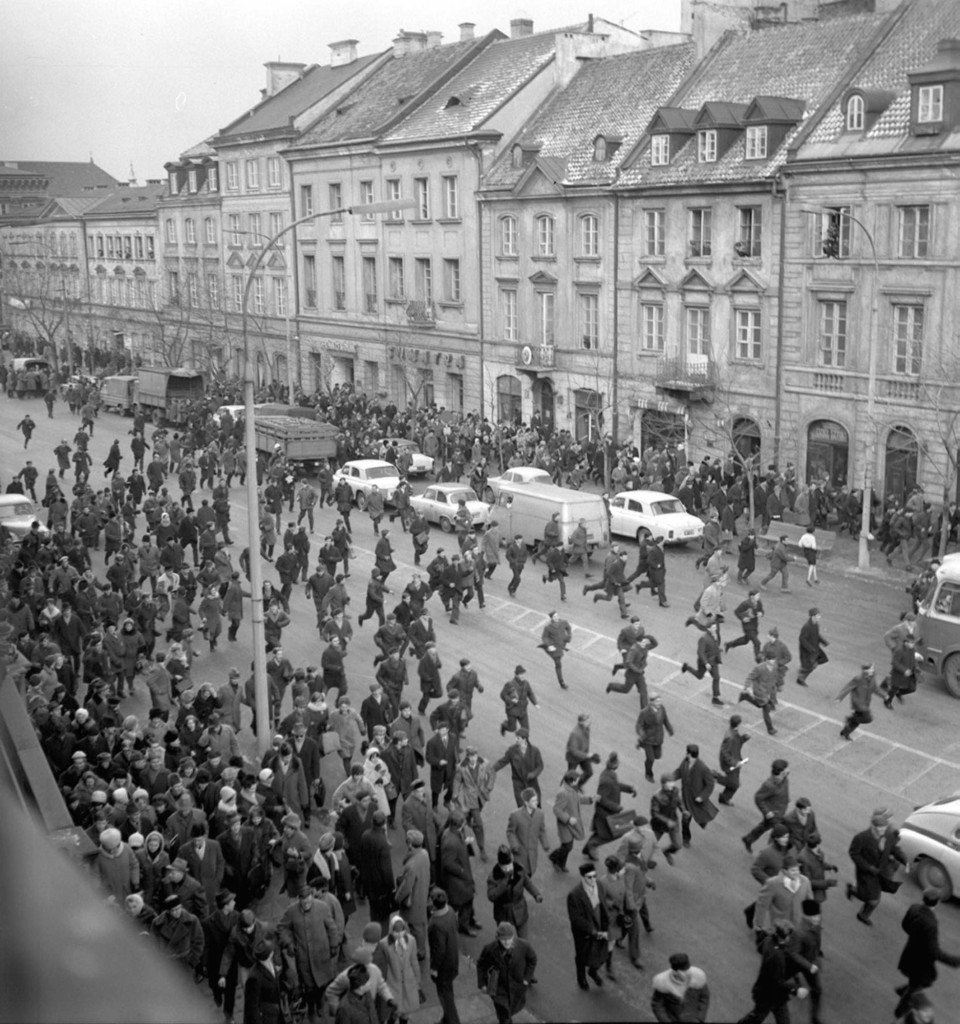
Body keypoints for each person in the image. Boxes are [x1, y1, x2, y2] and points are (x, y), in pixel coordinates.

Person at [277, 884, 342, 1021]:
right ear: (299, 899)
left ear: (312, 896)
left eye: (308, 899)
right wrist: (288, 943)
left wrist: (334, 944)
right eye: (303, 900)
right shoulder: (291, 911)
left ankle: (319, 1003)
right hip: (304, 958)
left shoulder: (322, 908)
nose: (306, 903)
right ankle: (311, 1007)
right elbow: (281, 928)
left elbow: (332, 928)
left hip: (322, 955)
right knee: (308, 986)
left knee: (322, 983)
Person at [894, 888, 960, 1019]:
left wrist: (916, 937)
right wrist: (955, 960)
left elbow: (905, 925)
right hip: (921, 961)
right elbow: (934, 951)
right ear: (937, 902)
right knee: (918, 985)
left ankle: (904, 990)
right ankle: (900, 1010)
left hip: (910, 951)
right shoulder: (931, 924)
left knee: (918, 981)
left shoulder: (914, 908)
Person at [736, 920, 809, 1024]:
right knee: (756, 1018)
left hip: (771, 993)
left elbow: (760, 949)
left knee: (765, 1018)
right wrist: (796, 989)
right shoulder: (777, 956)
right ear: (785, 937)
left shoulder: (769, 940)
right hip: (768, 994)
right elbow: (778, 982)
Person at [847, 807, 906, 926]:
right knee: (874, 900)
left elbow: (893, 848)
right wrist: (868, 867)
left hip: (882, 869)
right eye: (888, 818)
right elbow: (854, 854)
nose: (891, 821)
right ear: (873, 826)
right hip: (867, 871)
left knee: (875, 892)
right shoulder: (861, 838)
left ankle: (854, 891)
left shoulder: (888, 833)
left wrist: (903, 859)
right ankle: (862, 914)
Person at [476, 921, 538, 1024]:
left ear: (513, 936)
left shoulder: (524, 946)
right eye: (503, 939)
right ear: (498, 938)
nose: (507, 942)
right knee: (504, 1015)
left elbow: (533, 959)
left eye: (509, 938)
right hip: (497, 985)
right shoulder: (489, 949)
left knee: (510, 1010)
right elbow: (481, 965)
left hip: (516, 984)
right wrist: (482, 983)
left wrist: (527, 978)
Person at [567, 862, 611, 991]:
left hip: (600, 925)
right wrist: (593, 932)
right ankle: (581, 978)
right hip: (585, 932)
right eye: (589, 877)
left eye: (594, 876)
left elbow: (603, 906)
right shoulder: (574, 895)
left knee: (602, 953)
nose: (593, 880)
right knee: (582, 956)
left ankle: (593, 971)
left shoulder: (600, 886)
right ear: (582, 877)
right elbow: (576, 919)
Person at [486, 844, 542, 940]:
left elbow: (527, 882)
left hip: (519, 909)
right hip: (503, 912)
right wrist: (504, 882)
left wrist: (536, 894)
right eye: (504, 868)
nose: (508, 869)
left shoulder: (519, 869)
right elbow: (491, 896)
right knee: (504, 940)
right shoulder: (493, 876)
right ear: (499, 865)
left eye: (509, 866)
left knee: (524, 940)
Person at [673, 743, 718, 848]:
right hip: (686, 797)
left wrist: (702, 796)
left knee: (700, 814)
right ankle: (686, 838)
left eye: (687, 752)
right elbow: (679, 772)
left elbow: (710, 784)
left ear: (689, 754)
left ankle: (702, 822)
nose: (685, 754)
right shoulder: (685, 762)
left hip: (696, 798)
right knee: (685, 819)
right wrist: (671, 778)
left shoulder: (702, 768)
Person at [742, 759, 790, 854]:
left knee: (764, 826)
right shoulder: (769, 785)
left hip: (781, 810)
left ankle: (748, 839)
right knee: (780, 832)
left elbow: (787, 772)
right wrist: (767, 812)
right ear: (781, 772)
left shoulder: (783, 778)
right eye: (786, 769)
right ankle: (770, 853)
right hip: (773, 814)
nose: (788, 770)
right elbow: (758, 798)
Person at [427, 888, 460, 1024]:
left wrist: (434, 968)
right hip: (453, 960)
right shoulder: (450, 911)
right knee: (448, 991)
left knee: (445, 997)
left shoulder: (436, 924)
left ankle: (452, 1020)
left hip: (443, 967)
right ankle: (446, 1020)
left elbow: (439, 950)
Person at [549, 771, 593, 874]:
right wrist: (568, 819)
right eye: (577, 780)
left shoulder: (571, 789)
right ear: (572, 781)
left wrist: (590, 799)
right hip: (566, 825)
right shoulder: (563, 793)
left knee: (567, 846)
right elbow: (557, 809)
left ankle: (560, 864)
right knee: (567, 846)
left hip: (570, 824)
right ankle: (554, 858)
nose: (578, 782)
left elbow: (577, 799)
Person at [650, 952, 711, 1023]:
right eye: (683, 971)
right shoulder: (663, 983)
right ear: (675, 972)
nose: (687, 973)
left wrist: (700, 1017)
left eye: (688, 969)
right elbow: (657, 1005)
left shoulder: (698, 978)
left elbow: (704, 998)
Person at [492, 728, 544, 808]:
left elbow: (540, 766)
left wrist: (533, 774)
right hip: (518, 783)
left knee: (535, 805)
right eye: (516, 737)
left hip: (531, 783)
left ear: (524, 739)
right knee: (522, 807)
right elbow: (502, 762)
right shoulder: (512, 751)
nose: (516, 740)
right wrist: (491, 769)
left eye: (518, 738)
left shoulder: (534, 751)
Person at [506, 788, 550, 879]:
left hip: (532, 853)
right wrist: (514, 845)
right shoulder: (515, 815)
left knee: (529, 875)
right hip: (520, 853)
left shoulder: (540, 814)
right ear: (526, 803)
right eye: (533, 801)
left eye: (536, 800)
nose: (536, 803)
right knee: (518, 876)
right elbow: (510, 831)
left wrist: (545, 843)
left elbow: (542, 830)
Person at [680, 622, 723, 706]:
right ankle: (687, 667)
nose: (715, 629)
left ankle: (715, 697)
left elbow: (716, 646)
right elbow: (700, 652)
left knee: (717, 677)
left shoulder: (715, 636)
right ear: (708, 629)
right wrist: (706, 663)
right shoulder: (704, 638)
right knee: (699, 676)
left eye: (715, 627)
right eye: (713, 628)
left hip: (713, 661)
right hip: (704, 662)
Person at [634, 693, 674, 783]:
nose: (659, 703)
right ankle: (648, 774)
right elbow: (639, 726)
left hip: (658, 737)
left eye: (660, 701)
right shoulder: (644, 713)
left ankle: (641, 744)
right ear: (651, 702)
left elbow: (665, 720)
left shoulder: (662, 708)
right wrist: (642, 734)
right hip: (648, 738)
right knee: (650, 759)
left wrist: (670, 729)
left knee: (658, 756)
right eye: (657, 701)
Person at [837, 663, 882, 740]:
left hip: (866, 703)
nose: (872, 671)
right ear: (865, 671)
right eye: (871, 669)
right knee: (868, 718)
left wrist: (884, 695)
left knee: (857, 721)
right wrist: (840, 697)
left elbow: (875, 688)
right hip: (858, 703)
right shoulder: (858, 679)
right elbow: (848, 687)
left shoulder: (872, 678)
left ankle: (845, 732)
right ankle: (850, 719)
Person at [738, 655, 780, 736]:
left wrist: (775, 685)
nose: (773, 662)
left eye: (774, 660)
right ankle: (770, 729)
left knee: (760, 705)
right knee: (766, 708)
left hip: (767, 690)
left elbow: (774, 676)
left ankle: (746, 697)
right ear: (767, 660)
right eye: (771, 660)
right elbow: (750, 677)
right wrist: (747, 687)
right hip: (759, 691)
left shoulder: (775, 666)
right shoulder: (759, 668)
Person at [717, 715, 749, 806]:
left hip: (735, 761)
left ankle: (724, 797)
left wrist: (743, 739)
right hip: (731, 764)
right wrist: (735, 763)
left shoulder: (733, 732)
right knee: (735, 784)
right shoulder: (731, 736)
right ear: (738, 724)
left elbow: (736, 745)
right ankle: (715, 776)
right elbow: (725, 753)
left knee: (734, 782)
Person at [883, 636, 921, 709]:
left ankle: (899, 693)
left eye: (913, 643)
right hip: (898, 674)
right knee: (894, 689)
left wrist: (916, 667)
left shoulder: (912, 650)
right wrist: (904, 670)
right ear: (906, 643)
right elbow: (894, 663)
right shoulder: (899, 651)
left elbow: (912, 660)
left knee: (912, 688)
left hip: (909, 673)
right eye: (911, 643)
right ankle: (887, 701)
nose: (913, 645)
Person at [565, 713, 601, 790]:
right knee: (570, 776)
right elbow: (573, 751)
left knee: (589, 772)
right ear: (581, 722)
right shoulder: (575, 734)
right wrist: (587, 755)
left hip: (583, 756)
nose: (589, 722)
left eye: (589, 720)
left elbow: (586, 743)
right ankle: (565, 790)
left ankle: (578, 785)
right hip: (573, 758)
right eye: (587, 721)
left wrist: (589, 756)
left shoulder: (586, 729)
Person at [726, 591, 765, 661]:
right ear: (752, 597)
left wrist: (761, 614)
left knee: (745, 640)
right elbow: (737, 612)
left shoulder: (758, 602)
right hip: (747, 626)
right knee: (757, 642)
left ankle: (730, 644)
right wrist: (742, 618)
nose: (759, 597)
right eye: (757, 596)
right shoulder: (745, 604)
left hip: (754, 624)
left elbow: (762, 611)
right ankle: (758, 659)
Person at [538, 610, 571, 690]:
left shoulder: (563, 622)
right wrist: (549, 645)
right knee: (558, 664)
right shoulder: (548, 627)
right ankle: (561, 682)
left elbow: (568, 628)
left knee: (559, 658)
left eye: (557, 615)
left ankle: (545, 647)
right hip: (554, 647)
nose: (556, 617)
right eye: (554, 616)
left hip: (561, 644)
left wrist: (568, 636)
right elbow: (544, 637)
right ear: (551, 618)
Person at [796, 608, 828, 687]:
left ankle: (803, 669)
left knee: (823, 659)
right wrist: (810, 649)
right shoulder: (807, 626)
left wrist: (824, 642)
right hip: (807, 651)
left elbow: (816, 635)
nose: (820, 617)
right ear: (813, 616)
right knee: (812, 665)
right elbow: (802, 639)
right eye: (818, 615)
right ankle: (800, 679)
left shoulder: (816, 624)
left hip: (815, 649)